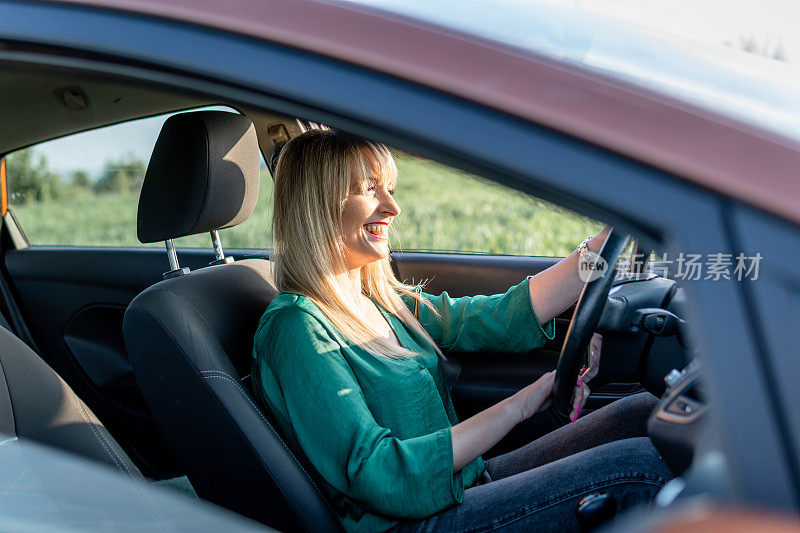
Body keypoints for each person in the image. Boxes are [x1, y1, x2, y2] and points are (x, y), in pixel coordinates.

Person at [252, 130, 672, 533]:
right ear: (318, 204)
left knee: (644, 416)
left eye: (391, 190)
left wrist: (604, 243)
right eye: (368, 188)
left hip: (463, 486)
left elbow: (503, 316)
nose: (392, 208)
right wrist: (521, 404)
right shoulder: (297, 328)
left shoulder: (383, 302)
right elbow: (378, 473)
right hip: (416, 522)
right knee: (643, 467)